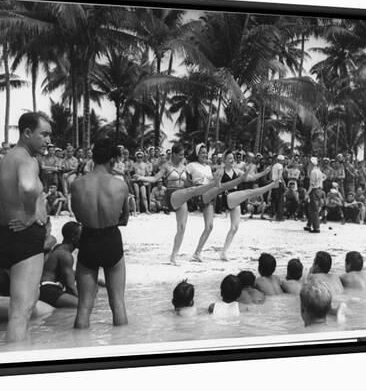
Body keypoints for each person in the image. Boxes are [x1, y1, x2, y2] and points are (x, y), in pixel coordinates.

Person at [136, 144, 256, 265]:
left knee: (183, 228)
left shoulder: (186, 166)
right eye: (181, 155)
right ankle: (216, 185)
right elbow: (155, 179)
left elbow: (189, 182)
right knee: (192, 190)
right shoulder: (172, 166)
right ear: (173, 154)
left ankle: (175, 256)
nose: (183, 157)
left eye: (184, 155)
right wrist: (142, 177)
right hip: (174, 194)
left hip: (188, 195)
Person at [0, 112, 51, 343]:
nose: (48, 141)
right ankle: (11, 367)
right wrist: (29, 214)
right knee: (20, 313)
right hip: (24, 238)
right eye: (44, 134)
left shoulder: (4, 161)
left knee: (23, 306)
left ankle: (17, 356)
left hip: (5, 237)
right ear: (27, 133)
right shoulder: (27, 160)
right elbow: (27, 187)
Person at [70, 139, 130, 329]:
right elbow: (125, 219)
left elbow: (78, 215)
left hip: (88, 238)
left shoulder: (77, 184)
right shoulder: (120, 186)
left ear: (93, 158)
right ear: (112, 160)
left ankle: (78, 351)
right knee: (118, 303)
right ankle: (121, 348)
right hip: (111, 239)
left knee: (84, 307)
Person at [217, 151, 276, 261]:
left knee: (234, 228)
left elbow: (251, 178)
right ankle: (271, 186)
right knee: (248, 192)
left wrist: (264, 172)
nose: (232, 160)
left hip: (236, 198)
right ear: (224, 160)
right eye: (229, 158)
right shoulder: (221, 171)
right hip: (227, 197)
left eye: (233, 158)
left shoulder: (237, 171)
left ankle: (223, 253)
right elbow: (216, 185)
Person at [39, 221, 82, 308]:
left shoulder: (59, 247)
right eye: (83, 236)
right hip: (47, 289)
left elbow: (66, 273)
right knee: (82, 305)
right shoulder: (65, 255)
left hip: (45, 287)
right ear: (74, 237)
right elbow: (70, 286)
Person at [304, 157, 325, 233]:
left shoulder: (313, 172)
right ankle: (309, 224)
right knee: (311, 208)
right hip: (319, 190)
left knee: (314, 210)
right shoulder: (319, 171)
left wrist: (307, 193)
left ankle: (316, 227)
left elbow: (312, 184)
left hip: (314, 190)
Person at [270, 155, 286, 221]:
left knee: (274, 199)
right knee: (280, 200)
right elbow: (280, 176)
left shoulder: (274, 166)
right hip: (278, 183)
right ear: (281, 160)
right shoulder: (280, 166)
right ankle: (279, 216)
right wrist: (283, 184)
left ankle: (273, 214)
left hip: (273, 182)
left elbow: (272, 175)